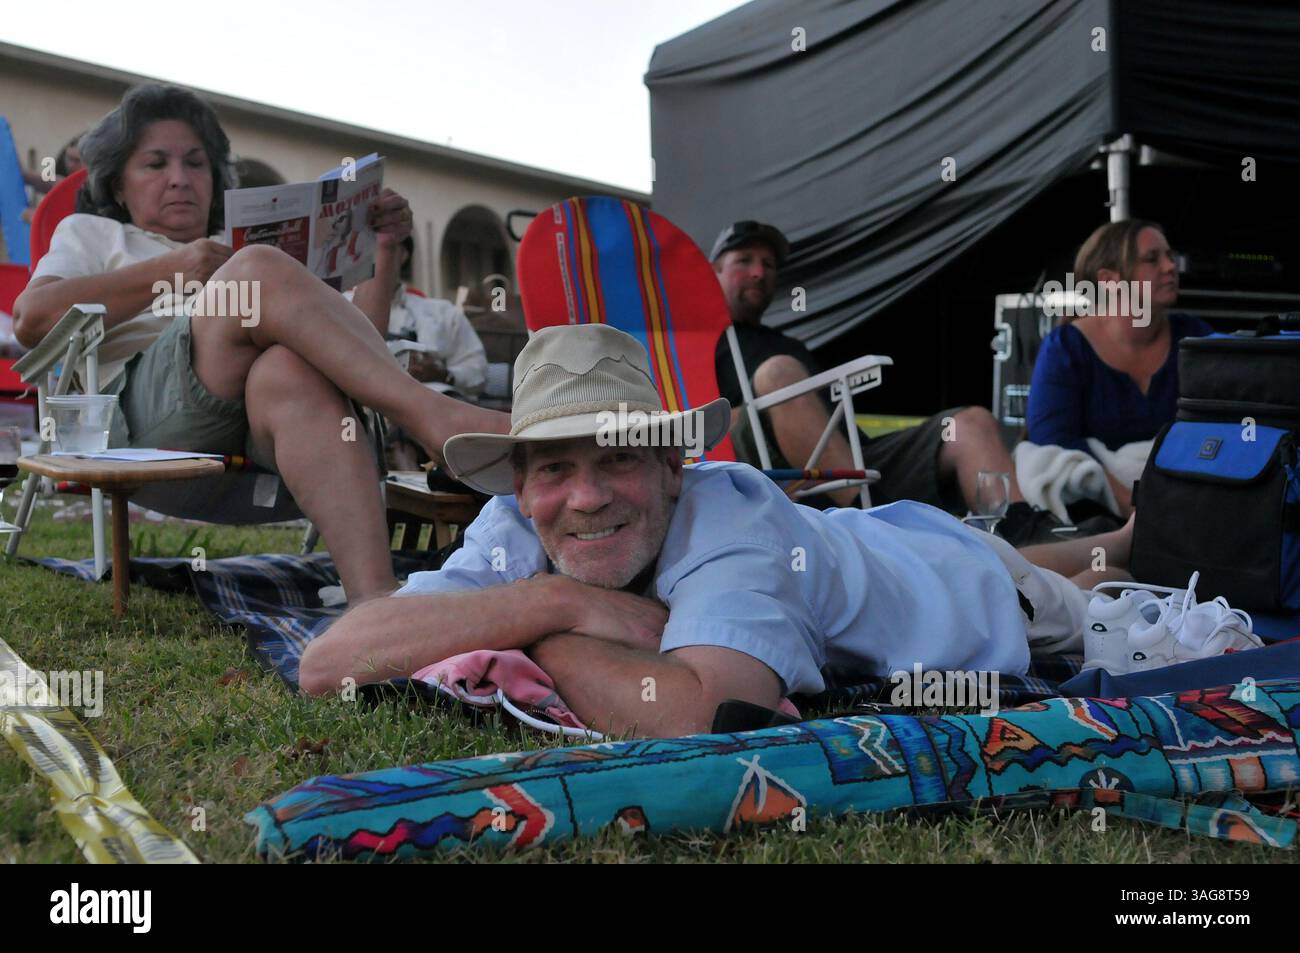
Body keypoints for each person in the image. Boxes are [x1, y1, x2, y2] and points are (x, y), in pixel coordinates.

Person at [299, 324, 1138, 738]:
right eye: (554, 467)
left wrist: (534, 618)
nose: (584, 497)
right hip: (874, 543)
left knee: (1094, 589)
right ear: (522, 483)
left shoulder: (729, 517)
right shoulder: (523, 523)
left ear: (672, 463)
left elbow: (706, 715)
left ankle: (1133, 540)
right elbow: (329, 661)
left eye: (618, 458)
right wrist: (555, 599)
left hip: (968, 584)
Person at [11, 84, 508, 603]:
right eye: (155, 164)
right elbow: (31, 319)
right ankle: (435, 421)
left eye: (196, 163)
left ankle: (374, 603)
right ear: (117, 186)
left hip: (256, 417)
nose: (179, 178)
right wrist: (178, 268)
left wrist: (382, 250)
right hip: (143, 423)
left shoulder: (238, 245)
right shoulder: (91, 234)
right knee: (255, 269)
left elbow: (363, 346)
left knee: (289, 366)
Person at [709, 220, 1025, 513]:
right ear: (714, 272)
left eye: (768, 264)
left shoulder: (791, 345)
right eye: (745, 260)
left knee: (972, 423)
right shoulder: (696, 344)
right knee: (778, 372)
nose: (759, 272)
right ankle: (872, 518)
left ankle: (1024, 531)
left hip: (855, 456)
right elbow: (696, 424)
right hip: (775, 473)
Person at [1027, 220, 1213, 515]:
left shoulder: (1195, 337)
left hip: (1183, 505)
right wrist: (1130, 504)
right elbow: (1053, 442)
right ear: (1109, 280)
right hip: (1093, 515)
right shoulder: (1066, 348)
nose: (1170, 267)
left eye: (1169, 256)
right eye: (1152, 259)